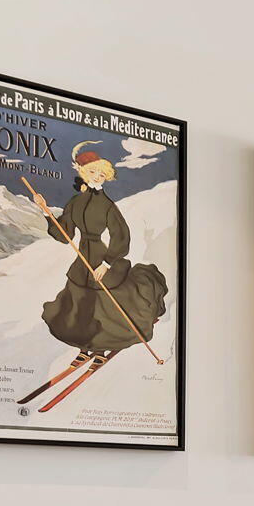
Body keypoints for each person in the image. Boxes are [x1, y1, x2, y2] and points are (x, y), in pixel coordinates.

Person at [25, 144, 167, 359]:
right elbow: (65, 235)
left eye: (102, 174)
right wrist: (45, 211)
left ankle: (100, 348)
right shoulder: (76, 202)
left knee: (101, 305)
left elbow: (122, 236)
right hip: (83, 258)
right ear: (83, 172)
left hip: (103, 258)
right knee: (80, 301)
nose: (98, 176)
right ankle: (84, 346)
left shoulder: (107, 205)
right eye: (93, 172)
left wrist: (106, 264)